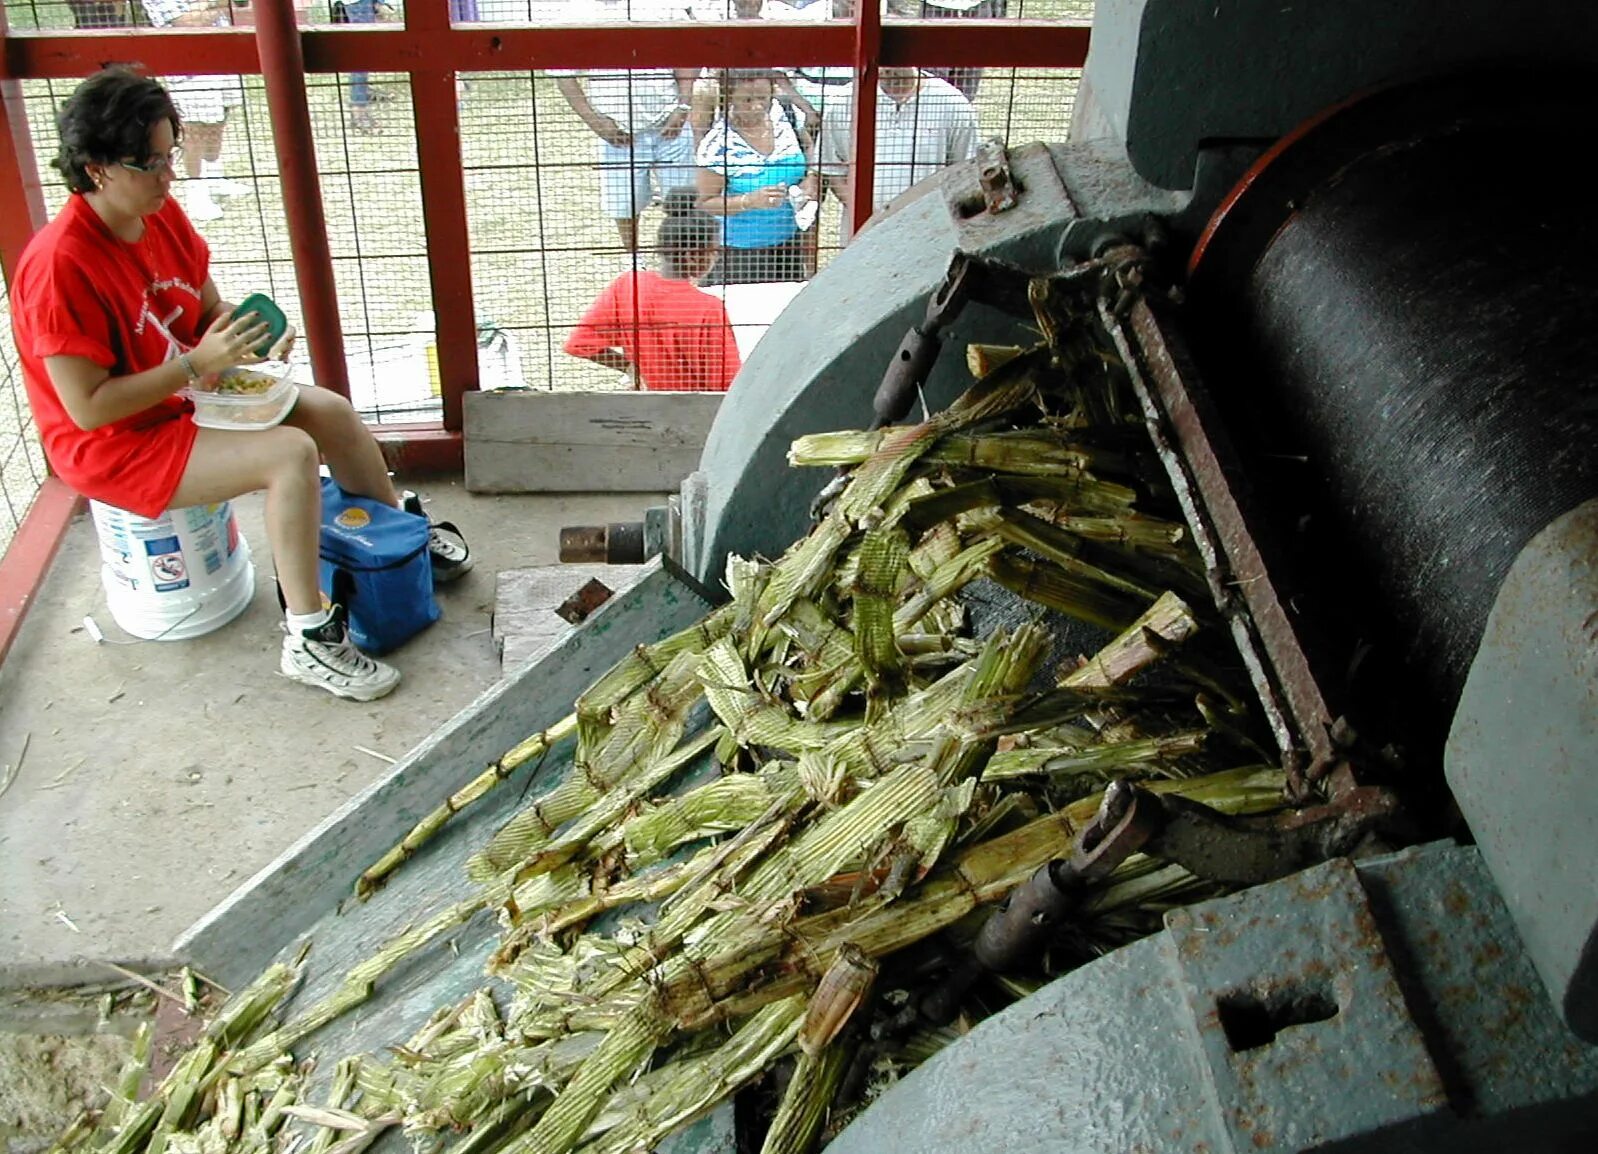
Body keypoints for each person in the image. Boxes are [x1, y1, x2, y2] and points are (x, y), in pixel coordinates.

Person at [9, 68, 471, 702]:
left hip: (185, 395)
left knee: (328, 412)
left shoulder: (160, 214)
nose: (168, 176)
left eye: (169, 154)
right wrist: (199, 364)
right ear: (96, 169)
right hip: (117, 440)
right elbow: (86, 410)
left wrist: (246, 342)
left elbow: (205, 315)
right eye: (148, 164)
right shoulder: (59, 266)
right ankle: (309, 637)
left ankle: (400, 545)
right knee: (291, 456)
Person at [553, 0, 699, 255]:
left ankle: (681, 260)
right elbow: (563, 73)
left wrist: (684, 106)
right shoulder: (576, 11)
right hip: (619, 134)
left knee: (682, 201)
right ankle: (634, 263)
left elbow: (686, 52)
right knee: (624, 206)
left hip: (670, 124)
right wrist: (596, 122)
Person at [564, 189, 741, 392]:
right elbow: (727, 384)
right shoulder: (708, 308)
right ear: (692, 255)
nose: (717, 258)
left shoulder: (628, 285)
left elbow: (579, 342)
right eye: (714, 251)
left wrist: (632, 369)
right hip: (694, 409)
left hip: (647, 404)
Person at [820, 66, 978, 238]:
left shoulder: (952, 103)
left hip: (927, 232)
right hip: (864, 236)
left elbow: (965, 174)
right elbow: (832, 170)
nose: (888, 68)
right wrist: (870, 219)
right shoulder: (843, 102)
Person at [695, 69, 817, 285]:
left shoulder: (786, 115)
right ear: (728, 98)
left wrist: (810, 177)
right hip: (739, 252)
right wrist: (748, 201)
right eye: (747, 100)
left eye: (763, 97)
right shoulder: (717, 145)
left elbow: (808, 147)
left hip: (789, 243)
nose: (757, 106)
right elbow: (705, 203)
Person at [139, 0, 253, 223]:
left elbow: (237, 5)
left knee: (219, 119)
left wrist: (209, 7)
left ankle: (215, 177)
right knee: (195, 129)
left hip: (222, 56)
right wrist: (218, 4)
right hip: (189, 66)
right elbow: (187, 22)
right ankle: (196, 193)